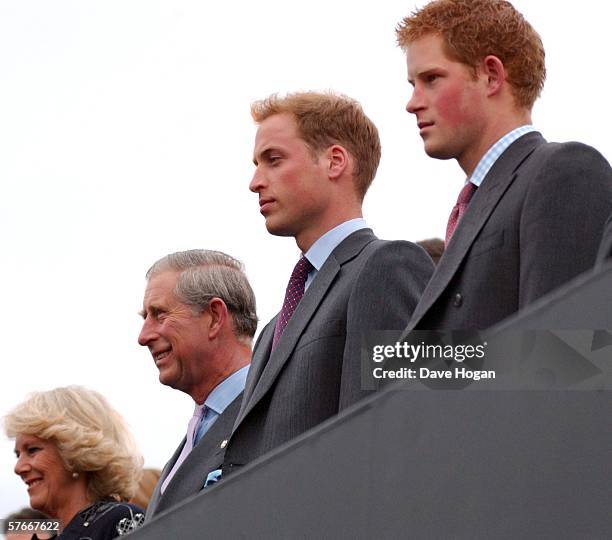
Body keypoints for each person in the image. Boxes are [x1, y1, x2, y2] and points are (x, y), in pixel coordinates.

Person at [221, 91, 434, 477]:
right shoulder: (272, 329)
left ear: (335, 161)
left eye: (274, 160)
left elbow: (377, 439)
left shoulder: (385, 266)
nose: (255, 182)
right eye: (256, 164)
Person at [396, 0, 612, 332]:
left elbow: (562, 356)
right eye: (413, 84)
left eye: (432, 79)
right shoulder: (475, 203)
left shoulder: (562, 171)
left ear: (492, 76)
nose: (412, 103)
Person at [137, 249, 257, 520]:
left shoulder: (274, 412)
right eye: (144, 317)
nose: (143, 336)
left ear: (215, 317)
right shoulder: (198, 429)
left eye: (159, 314)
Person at [4, 386, 144, 539]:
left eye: (32, 450)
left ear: (75, 451)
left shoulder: (120, 522)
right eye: (18, 455)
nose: (18, 468)